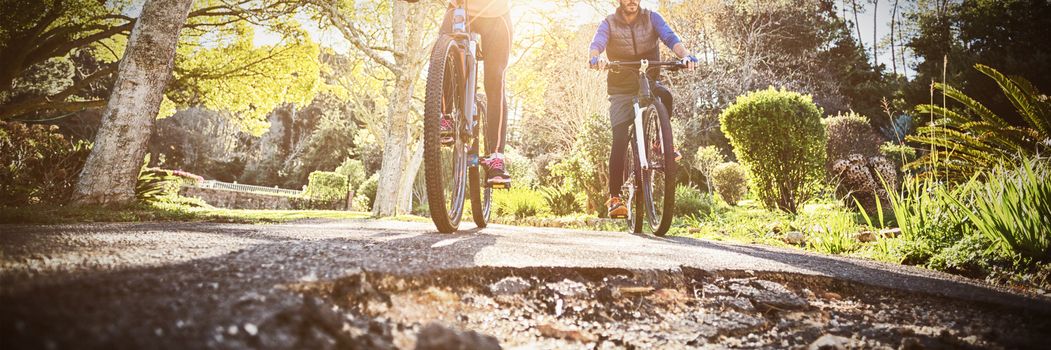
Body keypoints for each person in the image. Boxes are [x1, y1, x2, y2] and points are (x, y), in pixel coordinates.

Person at [588, 0, 697, 218]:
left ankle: (659, 144)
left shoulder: (652, 18)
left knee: (665, 96)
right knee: (619, 139)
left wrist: (684, 55)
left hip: (648, 82)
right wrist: (596, 57)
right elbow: (597, 43)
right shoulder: (609, 23)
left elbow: (670, 37)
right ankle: (615, 197)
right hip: (620, 89)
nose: (632, 1)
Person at [432, 0, 514, 186]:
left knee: (495, 79)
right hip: (460, 9)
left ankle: (496, 157)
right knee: (442, 54)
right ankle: (445, 117)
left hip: (496, 15)